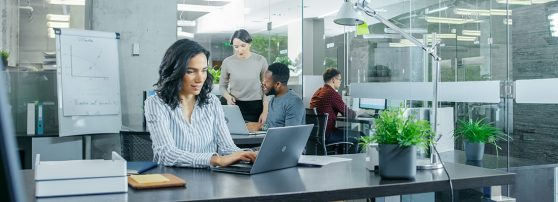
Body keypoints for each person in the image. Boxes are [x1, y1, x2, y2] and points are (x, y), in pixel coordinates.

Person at [144, 39, 256, 168]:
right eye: (190, 71)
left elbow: (227, 147)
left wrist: (249, 155)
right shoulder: (156, 103)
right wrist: (216, 160)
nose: (199, 79)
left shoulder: (212, 102)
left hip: (209, 180)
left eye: (203, 70)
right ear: (174, 71)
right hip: (172, 181)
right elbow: (166, 153)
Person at [220, 29, 269, 123]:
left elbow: (266, 88)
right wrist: (227, 97)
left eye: (243, 45)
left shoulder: (260, 60)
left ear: (249, 44)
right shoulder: (227, 62)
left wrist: (265, 111)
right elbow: (222, 86)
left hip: (256, 107)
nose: (240, 50)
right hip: (235, 106)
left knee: (256, 136)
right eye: (236, 46)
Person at [309, 68, 362, 153]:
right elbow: (348, 114)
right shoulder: (332, 93)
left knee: (343, 130)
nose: (340, 82)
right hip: (328, 135)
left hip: (316, 135)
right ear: (334, 79)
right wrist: (359, 112)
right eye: (340, 79)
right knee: (361, 135)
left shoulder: (318, 92)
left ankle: (343, 159)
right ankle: (353, 162)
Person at [246, 63, 305, 131]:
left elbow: (290, 133)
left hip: (284, 141)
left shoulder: (294, 103)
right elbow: (271, 126)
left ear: (278, 84)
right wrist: (253, 125)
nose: (263, 83)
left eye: (266, 81)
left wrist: (260, 127)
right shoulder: (273, 100)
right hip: (269, 139)